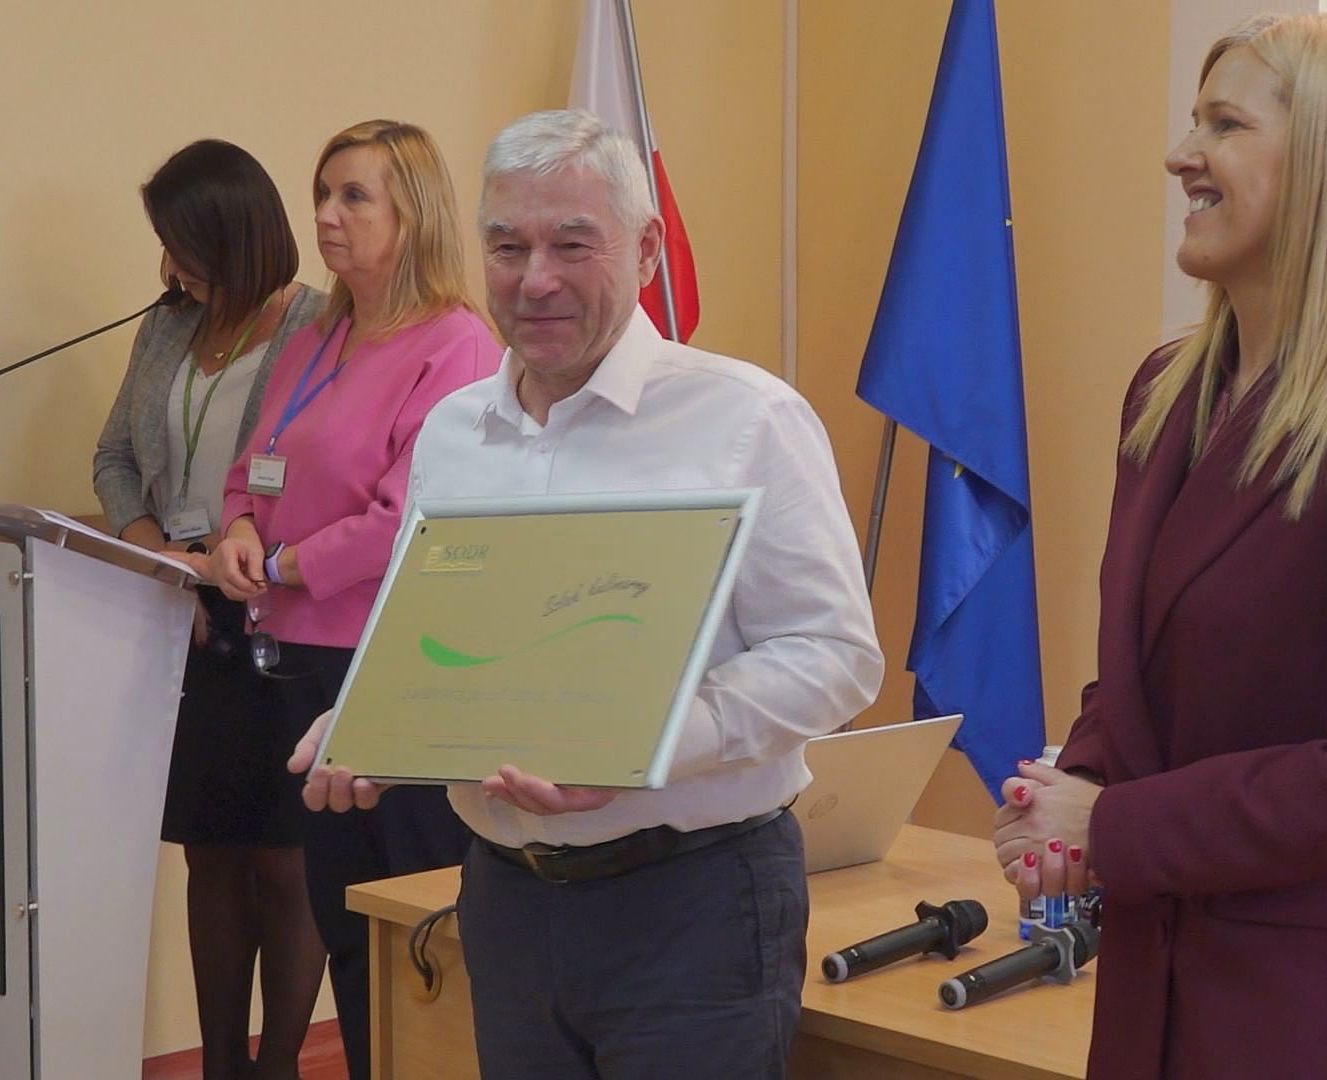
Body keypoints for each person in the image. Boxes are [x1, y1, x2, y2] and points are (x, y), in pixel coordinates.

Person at [289, 109, 882, 1079]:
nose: (536, 279)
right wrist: (370, 721)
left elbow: (837, 656)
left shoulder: (746, 418)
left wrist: (647, 746)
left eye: (572, 245)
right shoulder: (453, 433)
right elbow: (435, 637)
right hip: (506, 901)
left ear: (645, 250)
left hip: (692, 903)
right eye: (507, 246)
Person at [992, 14, 1327, 1079]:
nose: (1182, 154)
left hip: (1313, 1017)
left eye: (1224, 125)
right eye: (1193, 121)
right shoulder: (1164, 394)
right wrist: (1069, 794)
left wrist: (1116, 827)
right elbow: (1143, 678)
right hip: (1153, 988)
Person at [212, 119, 497, 1080]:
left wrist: (286, 562)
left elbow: (408, 515)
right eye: (322, 194)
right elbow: (251, 466)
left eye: (353, 196)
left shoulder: (455, 344)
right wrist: (238, 529)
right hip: (291, 659)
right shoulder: (319, 335)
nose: (327, 215)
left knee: (411, 921)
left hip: (380, 665)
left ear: (412, 214)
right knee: (343, 924)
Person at [92, 139, 329, 1080]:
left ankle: (281, 1066)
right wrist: (158, 554)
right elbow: (115, 457)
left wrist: (227, 562)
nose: (168, 264)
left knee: (284, 858)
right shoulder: (168, 326)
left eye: (181, 243)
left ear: (229, 235)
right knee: (211, 852)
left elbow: (325, 473)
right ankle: (222, 1065)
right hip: (182, 613)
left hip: (281, 609)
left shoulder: (319, 327)